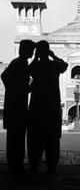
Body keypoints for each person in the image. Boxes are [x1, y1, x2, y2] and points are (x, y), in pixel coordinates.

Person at [27, 40, 68, 174]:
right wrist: (53, 55)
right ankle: (51, 166)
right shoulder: (54, 65)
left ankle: (34, 164)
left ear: (37, 52)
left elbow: (29, 69)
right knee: (52, 139)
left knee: (35, 138)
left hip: (37, 106)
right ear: (48, 51)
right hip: (52, 106)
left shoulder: (36, 66)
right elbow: (65, 65)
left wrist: (36, 57)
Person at [1, 39, 35, 173]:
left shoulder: (18, 62)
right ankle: (16, 164)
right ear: (26, 50)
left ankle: (15, 163)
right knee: (18, 136)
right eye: (31, 50)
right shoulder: (20, 63)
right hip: (17, 107)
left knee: (14, 137)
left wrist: (12, 90)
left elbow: (4, 76)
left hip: (14, 104)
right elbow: (5, 77)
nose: (33, 53)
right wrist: (23, 89)